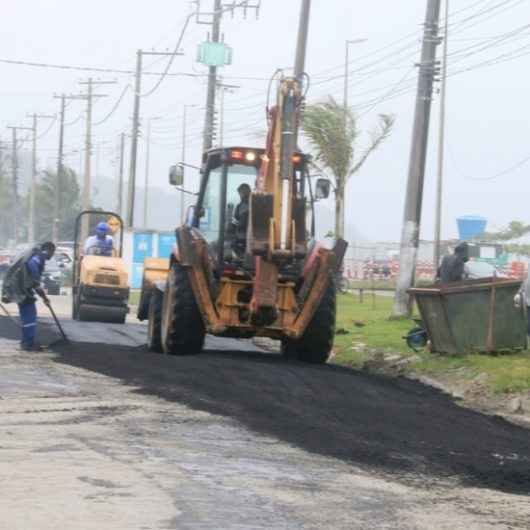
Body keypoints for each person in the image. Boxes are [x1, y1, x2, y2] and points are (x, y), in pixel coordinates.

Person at [1, 242, 56, 351]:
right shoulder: (37, 257)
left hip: (19, 287)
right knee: (30, 314)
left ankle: (26, 342)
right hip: (20, 288)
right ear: (48, 250)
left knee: (28, 314)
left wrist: (39, 290)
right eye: (52, 252)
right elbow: (32, 268)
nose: (52, 255)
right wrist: (43, 295)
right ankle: (28, 343)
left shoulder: (34, 254)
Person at [228, 183, 251, 256]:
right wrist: (230, 226)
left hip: (246, 237)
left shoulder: (253, 204)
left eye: (240, 193)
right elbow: (235, 220)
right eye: (239, 194)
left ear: (245, 192)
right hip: (240, 235)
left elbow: (243, 222)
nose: (240, 196)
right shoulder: (239, 206)